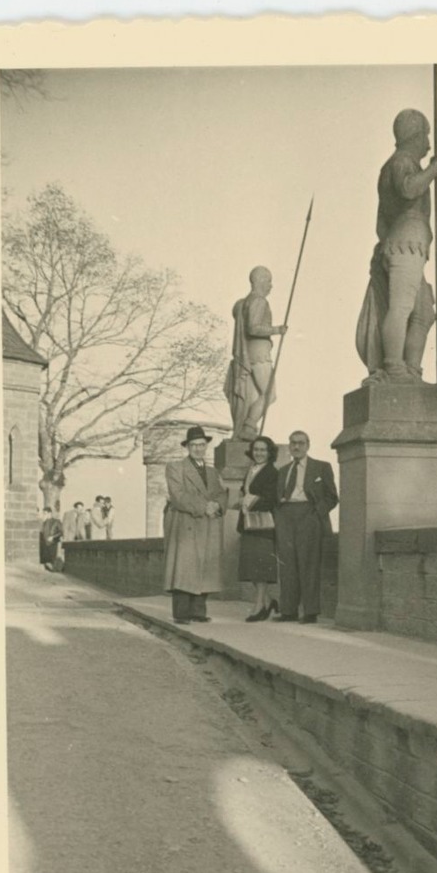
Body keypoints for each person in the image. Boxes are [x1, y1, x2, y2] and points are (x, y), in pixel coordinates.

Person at [355, 108, 437, 383]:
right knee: (403, 306)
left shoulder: (398, 163)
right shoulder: (401, 161)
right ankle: (394, 367)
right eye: (426, 136)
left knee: (424, 311)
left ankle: (411, 370)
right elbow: (408, 189)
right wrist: (433, 170)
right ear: (414, 135)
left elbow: (381, 220)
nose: (429, 144)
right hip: (406, 242)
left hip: (407, 241)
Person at [163, 426, 227, 624]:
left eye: (201, 444)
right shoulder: (175, 467)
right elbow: (178, 495)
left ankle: (198, 611)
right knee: (184, 568)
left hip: (207, 524)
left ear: (206, 446)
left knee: (204, 568)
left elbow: (222, 493)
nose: (198, 448)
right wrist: (204, 507)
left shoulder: (212, 471)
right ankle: (182, 613)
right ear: (187, 447)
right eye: (194, 445)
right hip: (187, 523)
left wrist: (217, 505)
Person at [273, 430, 339, 624]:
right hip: (286, 516)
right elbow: (277, 495)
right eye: (293, 443)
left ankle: (310, 612)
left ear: (308, 445)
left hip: (309, 516)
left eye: (301, 443)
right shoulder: (283, 471)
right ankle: (288, 611)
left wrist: (316, 513)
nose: (296, 447)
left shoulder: (321, 467)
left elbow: (332, 497)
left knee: (309, 564)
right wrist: (280, 512)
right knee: (287, 565)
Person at [224, 266, 287, 441]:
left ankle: (247, 426)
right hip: (259, 355)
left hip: (251, 355)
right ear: (259, 281)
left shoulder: (244, 303)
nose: (271, 286)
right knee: (269, 394)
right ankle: (249, 426)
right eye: (269, 281)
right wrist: (277, 330)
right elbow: (253, 327)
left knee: (257, 394)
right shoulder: (259, 301)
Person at [235, 436, 280, 622]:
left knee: (260, 567)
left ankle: (259, 605)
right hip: (248, 523)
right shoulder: (251, 470)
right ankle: (269, 601)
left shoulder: (272, 472)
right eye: (256, 449)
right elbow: (244, 491)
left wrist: (247, 500)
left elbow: (271, 498)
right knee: (251, 566)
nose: (259, 453)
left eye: (263, 450)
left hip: (263, 525)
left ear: (270, 453)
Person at [39, 507, 64, 571]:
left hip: (53, 543)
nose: (44, 515)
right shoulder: (44, 522)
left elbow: (61, 532)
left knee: (53, 559)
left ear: (50, 513)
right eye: (43, 513)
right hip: (44, 543)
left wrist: (53, 537)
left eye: (45, 513)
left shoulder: (56, 521)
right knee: (45, 560)